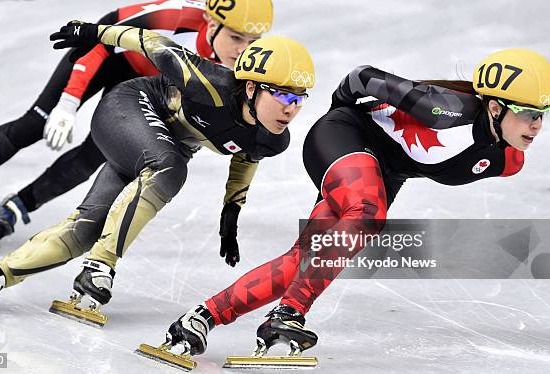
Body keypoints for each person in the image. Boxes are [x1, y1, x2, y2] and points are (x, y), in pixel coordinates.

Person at [149, 48, 550, 359]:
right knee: (367, 215)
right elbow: (361, 77)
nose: (537, 125)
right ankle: (287, 316)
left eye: (544, 114)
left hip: (383, 171)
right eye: (529, 113)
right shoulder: (443, 109)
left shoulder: (508, 160)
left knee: (308, 257)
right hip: (343, 136)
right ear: (494, 106)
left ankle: (199, 318)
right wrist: (337, 112)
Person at [0, 20, 315, 326]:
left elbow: (245, 157)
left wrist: (231, 212)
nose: (291, 109)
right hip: (128, 107)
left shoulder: (273, 139)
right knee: (171, 168)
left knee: (86, 229)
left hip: (150, 147)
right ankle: (101, 267)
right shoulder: (210, 81)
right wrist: (93, 32)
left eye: (299, 100)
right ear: (250, 88)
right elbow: (151, 42)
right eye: (282, 96)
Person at [0, 0, 273, 251]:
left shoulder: (243, 62)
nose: (244, 50)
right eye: (236, 38)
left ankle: (18, 207)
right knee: (36, 122)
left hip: (144, 81)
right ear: (211, 24)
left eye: (253, 40)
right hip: (108, 51)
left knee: (96, 154)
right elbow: (100, 40)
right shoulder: (174, 19)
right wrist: (68, 103)